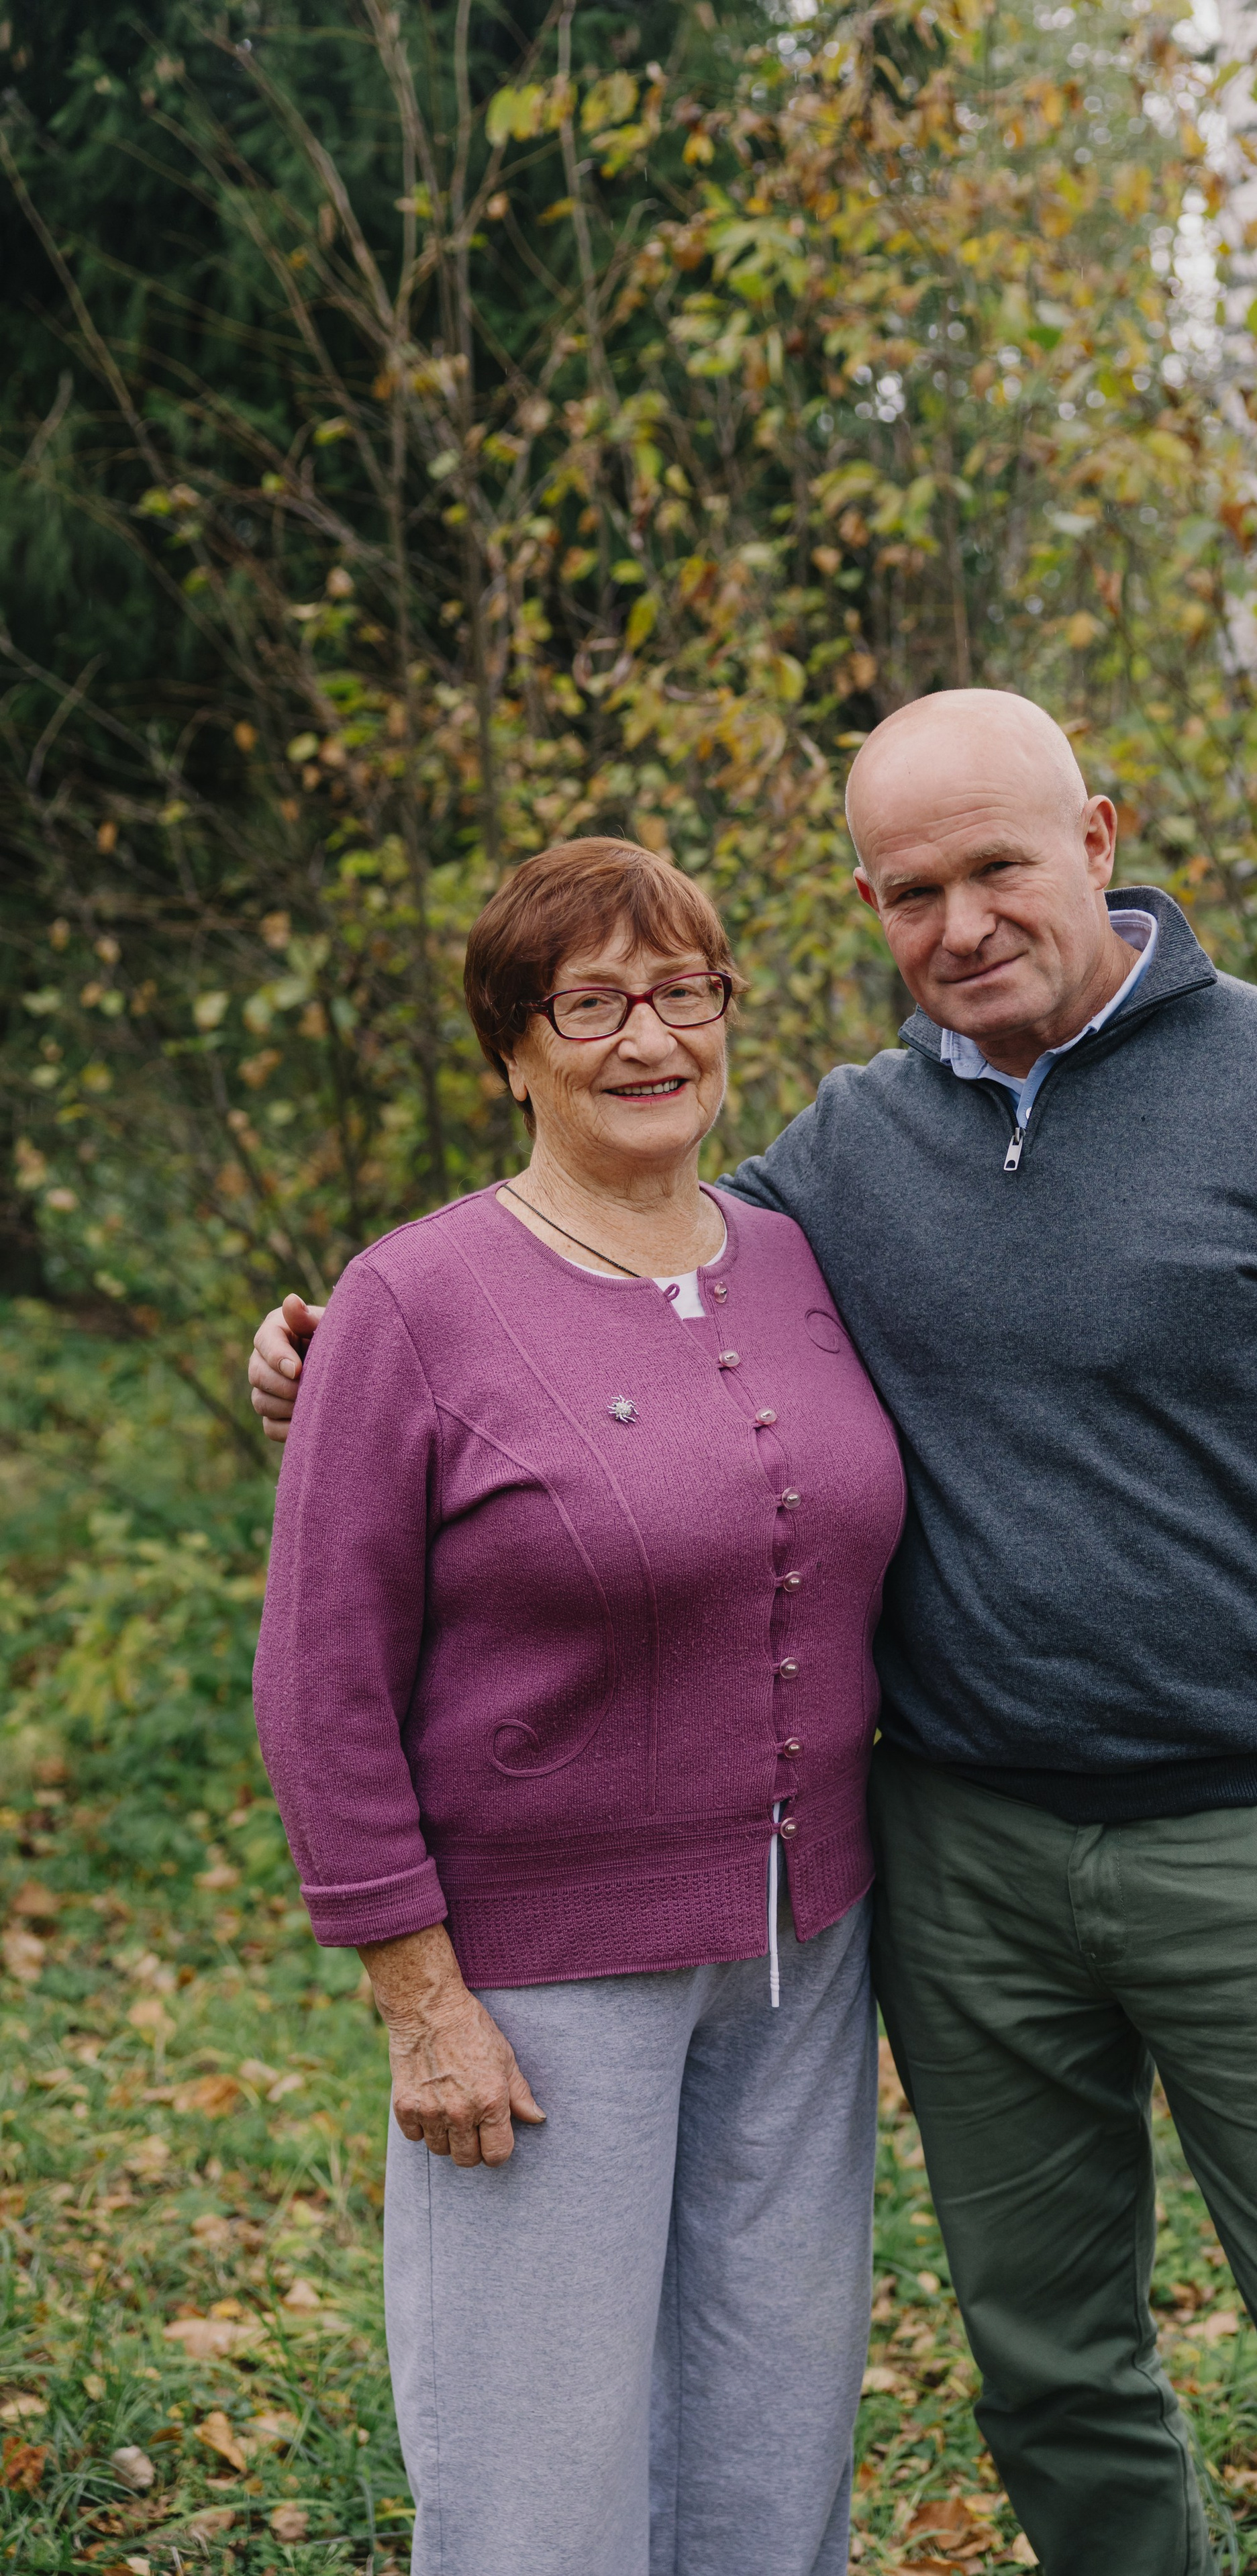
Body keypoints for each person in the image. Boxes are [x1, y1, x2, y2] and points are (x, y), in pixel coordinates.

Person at [252, 694, 1257, 2576]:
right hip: (961, 1865)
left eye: (999, 868)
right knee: (1054, 2375)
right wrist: (340, 1351)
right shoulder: (850, 1149)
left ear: (1097, 841)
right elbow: (609, 1266)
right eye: (909, 889)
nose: (960, 923)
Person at [250, 838, 905, 2576]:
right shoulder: (412, 1299)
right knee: (542, 2455)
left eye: (683, 990)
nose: (648, 1037)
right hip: (539, 1985)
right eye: (593, 1000)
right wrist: (417, 1999)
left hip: (801, 1947)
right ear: (510, 1045)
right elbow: (321, 1677)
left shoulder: (789, 1255)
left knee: (776, 2417)